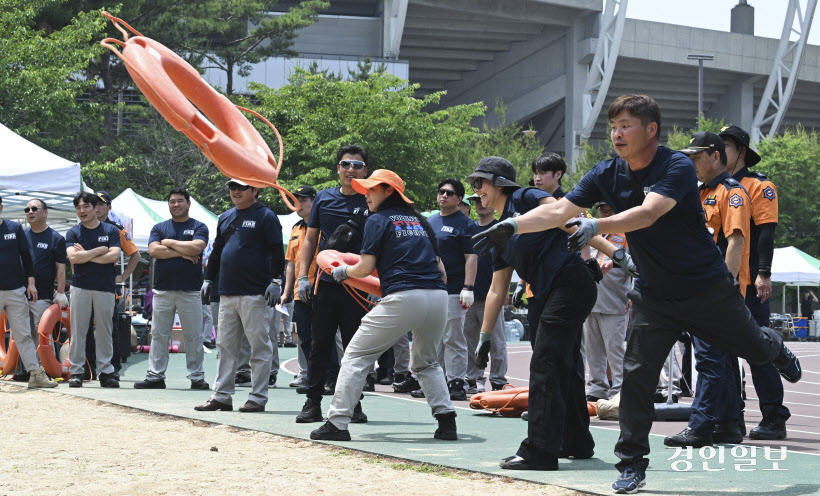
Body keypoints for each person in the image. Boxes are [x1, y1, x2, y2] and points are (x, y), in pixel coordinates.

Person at [472, 95, 801, 493]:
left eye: (626, 125)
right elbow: (560, 211)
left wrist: (595, 223)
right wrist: (514, 227)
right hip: (654, 296)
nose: (617, 134)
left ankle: (776, 347)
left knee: (756, 348)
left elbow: (648, 213)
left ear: (651, 130)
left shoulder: (676, 165)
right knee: (637, 379)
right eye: (613, 126)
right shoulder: (605, 172)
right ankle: (632, 464)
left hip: (706, 289)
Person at [470, 156, 618, 471]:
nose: (475, 190)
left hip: (571, 283)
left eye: (480, 182)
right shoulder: (499, 235)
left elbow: (566, 217)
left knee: (546, 363)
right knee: (565, 365)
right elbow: (497, 290)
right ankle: (577, 441)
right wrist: (484, 336)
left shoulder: (525, 197)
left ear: (499, 183)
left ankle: (538, 450)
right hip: (550, 293)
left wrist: (618, 254)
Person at [309, 169, 457, 441]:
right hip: (437, 297)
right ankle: (446, 421)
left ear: (389, 191)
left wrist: (342, 273)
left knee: (355, 356)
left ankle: (337, 423)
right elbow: (442, 271)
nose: (366, 194)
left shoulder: (377, 220)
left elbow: (365, 267)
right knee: (426, 363)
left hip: (403, 296)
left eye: (372, 189)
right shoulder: (421, 221)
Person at [664, 132, 752, 448]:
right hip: (698, 289)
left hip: (716, 292)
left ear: (716, 156)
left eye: (696, 157)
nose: (691, 163)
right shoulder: (699, 193)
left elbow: (736, 240)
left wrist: (724, 289)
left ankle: (701, 427)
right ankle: (729, 424)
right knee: (723, 359)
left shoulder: (733, 193)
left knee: (709, 360)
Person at [721, 124, 792, 441]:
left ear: (742, 152)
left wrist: (764, 273)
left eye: (726, 146)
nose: (719, 152)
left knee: (755, 349)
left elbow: (766, 232)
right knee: (720, 351)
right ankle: (730, 416)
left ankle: (774, 418)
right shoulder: (715, 187)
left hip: (749, 281)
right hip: (719, 281)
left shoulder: (759, 186)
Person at [295, 145, 371, 424]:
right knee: (319, 346)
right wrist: (304, 277)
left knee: (355, 348)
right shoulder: (324, 199)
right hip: (325, 284)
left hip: (359, 285)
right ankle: (312, 403)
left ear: (366, 171)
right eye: (345, 164)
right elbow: (310, 241)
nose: (350, 169)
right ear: (337, 169)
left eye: (357, 165)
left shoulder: (371, 200)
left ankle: (355, 404)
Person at [196, 178, 284, 413]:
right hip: (226, 292)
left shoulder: (266, 216)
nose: (236, 191)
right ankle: (222, 395)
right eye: (232, 187)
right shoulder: (225, 217)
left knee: (259, 347)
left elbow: (277, 251)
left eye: (241, 187)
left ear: (255, 190)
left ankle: (258, 397)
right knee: (224, 345)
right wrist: (207, 279)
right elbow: (216, 252)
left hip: (256, 292)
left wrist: (276, 281)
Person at [135, 188, 209, 390]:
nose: (176, 205)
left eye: (180, 201)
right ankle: (155, 376)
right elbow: (153, 251)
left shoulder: (199, 226)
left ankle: (197, 377)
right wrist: (182, 252)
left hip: (190, 291)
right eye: (172, 201)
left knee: (194, 335)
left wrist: (169, 243)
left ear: (188, 203)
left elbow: (196, 248)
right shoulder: (159, 227)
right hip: (162, 290)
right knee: (159, 335)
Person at [424, 178, 477, 400]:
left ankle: (456, 381)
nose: (443, 195)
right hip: (431, 289)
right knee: (433, 336)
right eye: (441, 191)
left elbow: (471, 257)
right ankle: (436, 380)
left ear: (458, 199)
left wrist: (468, 286)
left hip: (455, 289)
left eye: (449, 192)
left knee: (453, 337)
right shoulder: (430, 221)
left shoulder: (465, 224)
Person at [65, 192, 122, 388]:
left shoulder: (111, 230)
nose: (82, 211)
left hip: (105, 287)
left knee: (105, 331)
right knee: (79, 331)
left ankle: (107, 372)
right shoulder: (73, 232)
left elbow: (113, 255)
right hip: (80, 286)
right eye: (78, 207)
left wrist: (86, 255)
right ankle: (77, 372)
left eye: (86, 206)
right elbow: (73, 258)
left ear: (95, 208)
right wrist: (99, 250)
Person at [0, 195, 57, 388]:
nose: (30, 213)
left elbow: (26, 257)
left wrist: (31, 284)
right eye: (28, 210)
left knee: (24, 334)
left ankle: (35, 374)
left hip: (17, 290)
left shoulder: (14, 228)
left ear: (0, 207)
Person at [583, 201, 631, 402]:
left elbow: (637, 264)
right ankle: (597, 388)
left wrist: (633, 293)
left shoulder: (628, 233)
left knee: (615, 349)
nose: (605, 211)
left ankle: (620, 390)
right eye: (602, 208)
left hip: (615, 301)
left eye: (610, 207)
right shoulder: (592, 233)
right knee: (593, 349)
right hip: (590, 300)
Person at [463, 194, 508, 394]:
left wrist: (507, 291)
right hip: (470, 297)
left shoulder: (502, 229)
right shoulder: (469, 229)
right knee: (468, 342)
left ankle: (498, 380)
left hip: (494, 295)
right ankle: (472, 379)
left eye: (482, 200)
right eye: (475, 201)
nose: (480, 204)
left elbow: (510, 262)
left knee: (496, 342)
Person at [95, 191, 140, 377]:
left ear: (109, 207)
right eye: (93, 204)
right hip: (84, 283)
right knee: (84, 329)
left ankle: (113, 367)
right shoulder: (82, 227)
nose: (96, 207)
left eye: (101, 204)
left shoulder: (116, 229)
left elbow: (135, 254)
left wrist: (122, 276)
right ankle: (87, 367)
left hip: (107, 283)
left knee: (110, 327)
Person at [281, 185, 318, 388]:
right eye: (295, 200)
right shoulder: (295, 228)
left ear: (314, 201)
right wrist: (286, 292)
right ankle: (305, 374)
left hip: (320, 289)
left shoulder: (322, 225)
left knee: (324, 336)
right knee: (304, 336)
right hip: (299, 291)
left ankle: (329, 375)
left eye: (303, 199)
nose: (299, 204)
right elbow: (291, 263)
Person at [24, 198, 68, 350]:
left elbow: (61, 268)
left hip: (42, 297)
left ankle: (45, 370)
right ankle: (27, 371)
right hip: (19, 296)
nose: (30, 212)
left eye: (34, 209)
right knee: (23, 334)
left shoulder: (56, 238)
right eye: (27, 210)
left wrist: (61, 293)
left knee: (41, 334)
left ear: (45, 212)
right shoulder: (21, 235)